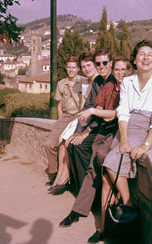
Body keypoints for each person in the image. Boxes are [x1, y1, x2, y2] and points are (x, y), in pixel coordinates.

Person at [93, 40, 152, 243]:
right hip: (126, 128)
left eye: (150, 55)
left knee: (110, 164)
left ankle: (126, 204)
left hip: (146, 130)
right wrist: (124, 139)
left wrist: (145, 144)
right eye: (141, 54)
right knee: (106, 177)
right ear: (135, 60)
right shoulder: (128, 82)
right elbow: (124, 113)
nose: (146, 57)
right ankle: (103, 228)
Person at [58, 49, 115, 226]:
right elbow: (90, 107)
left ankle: (88, 201)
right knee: (75, 146)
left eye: (104, 63)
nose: (101, 66)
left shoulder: (117, 81)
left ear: (110, 63)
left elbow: (109, 114)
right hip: (97, 128)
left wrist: (86, 132)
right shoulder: (98, 81)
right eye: (98, 63)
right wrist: (80, 132)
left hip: (111, 130)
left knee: (95, 156)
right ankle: (86, 193)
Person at [48, 52, 98, 189]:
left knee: (66, 141)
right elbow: (82, 106)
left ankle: (64, 177)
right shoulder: (66, 84)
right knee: (62, 142)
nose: (87, 69)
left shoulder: (87, 81)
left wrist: (82, 125)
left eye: (89, 65)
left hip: (84, 119)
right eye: (84, 66)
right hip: (74, 118)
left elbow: (88, 108)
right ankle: (59, 177)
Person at [43, 56, 88, 184]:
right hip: (66, 117)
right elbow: (59, 103)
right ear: (66, 68)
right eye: (69, 67)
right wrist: (60, 120)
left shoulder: (85, 82)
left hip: (79, 117)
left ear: (78, 68)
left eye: (74, 67)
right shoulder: (61, 84)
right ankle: (54, 172)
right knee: (49, 144)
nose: (71, 70)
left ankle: (68, 177)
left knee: (69, 144)